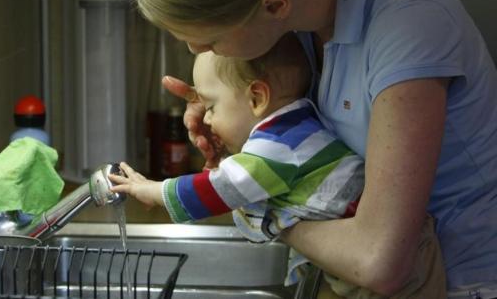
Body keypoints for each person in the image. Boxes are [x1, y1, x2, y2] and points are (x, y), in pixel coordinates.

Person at [131, 0, 497, 298]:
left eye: (211, 41)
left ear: (274, 6)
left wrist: (264, 210)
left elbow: (380, 261)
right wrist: (232, 115)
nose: (198, 52)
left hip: (461, 283)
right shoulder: (301, 4)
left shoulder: (408, 27)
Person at [111, 34, 446, 297]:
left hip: (405, 273)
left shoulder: (279, 146)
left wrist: (153, 190)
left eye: (211, 105)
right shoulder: (291, 127)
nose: (207, 118)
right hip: (388, 256)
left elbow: (221, 188)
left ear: (257, 98)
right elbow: (240, 177)